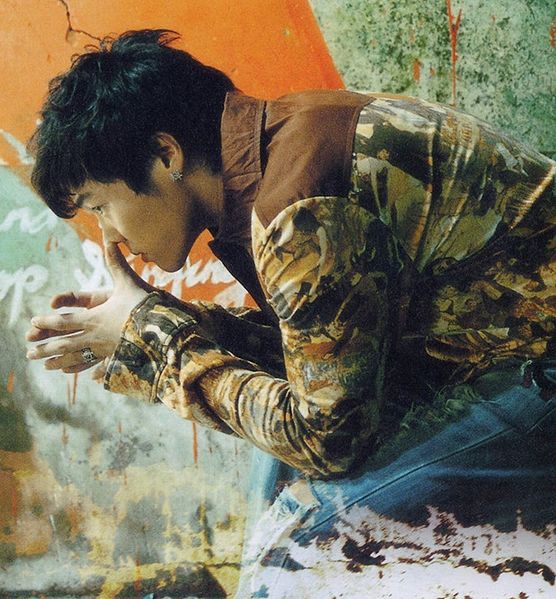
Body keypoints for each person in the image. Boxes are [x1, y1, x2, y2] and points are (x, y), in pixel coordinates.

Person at [27, 29, 555, 596]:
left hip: (536, 373)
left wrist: (155, 340)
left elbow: (327, 439)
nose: (110, 237)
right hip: (490, 367)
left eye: (101, 206)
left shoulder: (299, 206)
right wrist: (159, 322)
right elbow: (326, 353)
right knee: (281, 479)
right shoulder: (284, 146)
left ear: (165, 155)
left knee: (297, 554)